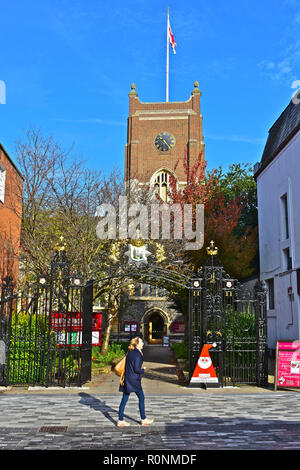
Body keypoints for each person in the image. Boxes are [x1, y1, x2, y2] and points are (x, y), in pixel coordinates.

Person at [117, 336, 154, 428]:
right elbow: (137, 369)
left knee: (124, 400)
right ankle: (144, 420)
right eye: (141, 342)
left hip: (127, 379)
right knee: (141, 398)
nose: (143, 344)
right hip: (134, 381)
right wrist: (143, 370)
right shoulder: (138, 354)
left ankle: (120, 420)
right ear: (137, 344)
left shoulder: (130, 352)